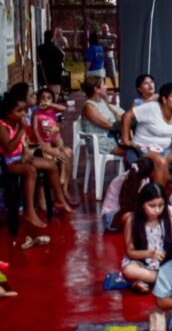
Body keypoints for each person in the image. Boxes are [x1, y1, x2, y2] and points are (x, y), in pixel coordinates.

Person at [0, 90, 74, 228]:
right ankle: (29, 211)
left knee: (51, 164)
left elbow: (25, 142)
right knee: (31, 170)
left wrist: (27, 150)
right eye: (19, 111)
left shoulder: (17, 122)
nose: (23, 114)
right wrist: (22, 130)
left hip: (22, 158)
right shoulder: (2, 126)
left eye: (24, 110)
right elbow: (9, 148)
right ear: (8, 112)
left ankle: (59, 199)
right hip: (10, 162)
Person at [120, 83, 172, 210]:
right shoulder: (151, 108)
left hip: (165, 148)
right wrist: (126, 140)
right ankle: (159, 199)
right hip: (144, 147)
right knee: (161, 162)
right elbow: (127, 116)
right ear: (164, 99)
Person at [122, 183, 172, 293]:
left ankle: (145, 281)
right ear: (142, 204)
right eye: (152, 206)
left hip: (164, 265)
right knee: (128, 270)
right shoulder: (132, 221)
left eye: (161, 205)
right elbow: (130, 252)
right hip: (141, 263)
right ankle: (164, 280)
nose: (157, 210)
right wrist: (150, 254)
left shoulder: (168, 220)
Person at [31, 87, 74, 198]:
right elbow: (35, 128)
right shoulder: (36, 113)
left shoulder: (52, 110)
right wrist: (40, 141)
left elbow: (64, 108)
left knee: (63, 149)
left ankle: (63, 177)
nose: (45, 101)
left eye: (49, 98)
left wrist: (51, 105)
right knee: (60, 154)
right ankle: (57, 190)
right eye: (43, 98)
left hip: (56, 137)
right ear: (38, 100)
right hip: (45, 141)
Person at [101, 157, 153, 232]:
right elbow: (126, 206)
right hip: (111, 216)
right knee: (134, 218)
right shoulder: (123, 180)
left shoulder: (145, 180)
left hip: (127, 212)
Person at [80, 76, 125, 156]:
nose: (106, 87)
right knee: (133, 153)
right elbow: (108, 125)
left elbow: (116, 115)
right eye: (103, 84)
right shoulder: (89, 106)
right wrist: (126, 125)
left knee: (137, 148)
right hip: (99, 141)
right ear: (96, 89)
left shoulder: (102, 101)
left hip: (111, 137)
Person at [36, 30, 64, 100]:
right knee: (55, 94)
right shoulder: (56, 49)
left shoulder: (39, 48)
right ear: (52, 38)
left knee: (47, 95)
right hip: (55, 75)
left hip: (44, 75)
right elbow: (61, 58)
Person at [98, 23, 118, 90]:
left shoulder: (112, 36)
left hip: (109, 57)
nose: (104, 29)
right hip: (101, 57)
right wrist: (105, 42)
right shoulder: (99, 36)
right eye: (103, 28)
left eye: (106, 28)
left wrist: (105, 42)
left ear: (108, 29)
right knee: (102, 73)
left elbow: (108, 44)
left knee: (112, 73)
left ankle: (115, 88)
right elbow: (101, 43)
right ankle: (104, 88)